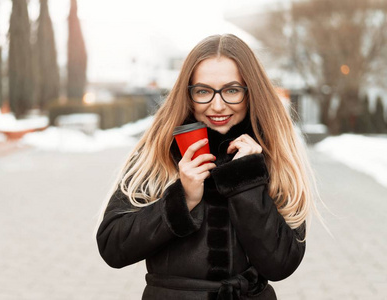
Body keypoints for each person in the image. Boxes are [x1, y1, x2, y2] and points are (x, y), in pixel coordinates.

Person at [96, 34, 316, 300]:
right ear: (187, 95)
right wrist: (182, 199)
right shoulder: (160, 151)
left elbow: (281, 263)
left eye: (232, 90)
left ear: (251, 92)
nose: (218, 104)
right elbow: (113, 246)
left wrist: (246, 182)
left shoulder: (273, 155)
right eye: (203, 91)